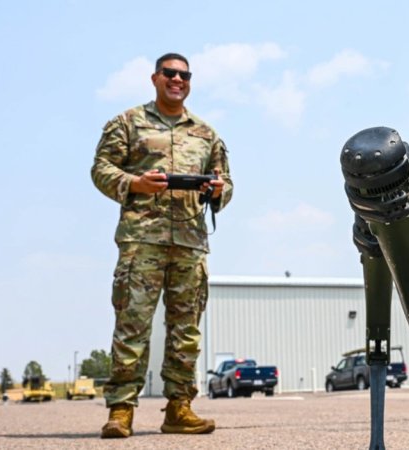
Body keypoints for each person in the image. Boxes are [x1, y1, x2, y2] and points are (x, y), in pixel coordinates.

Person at [91, 52, 233, 439]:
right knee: (132, 325)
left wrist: (217, 190)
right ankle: (121, 410)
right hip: (142, 241)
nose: (177, 80)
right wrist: (135, 183)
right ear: (154, 78)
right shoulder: (127, 123)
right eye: (169, 73)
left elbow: (227, 184)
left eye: (184, 75)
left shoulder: (206, 133)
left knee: (186, 330)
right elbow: (101, 168)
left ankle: (179, 408)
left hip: (189, 242)